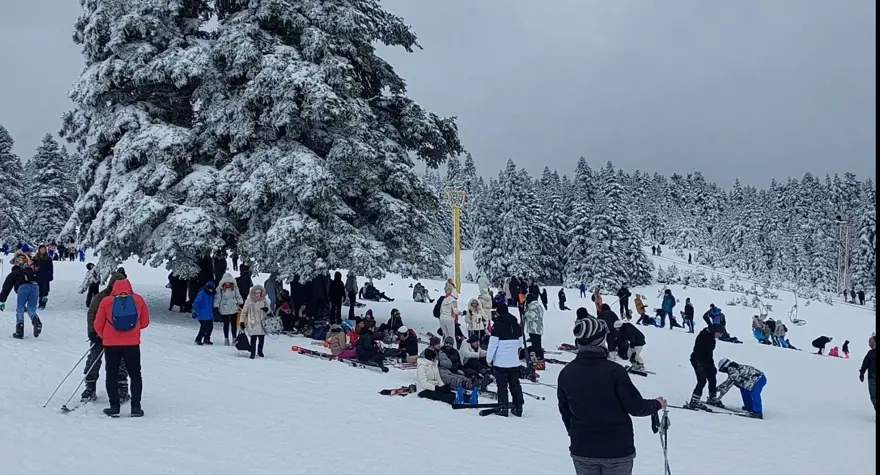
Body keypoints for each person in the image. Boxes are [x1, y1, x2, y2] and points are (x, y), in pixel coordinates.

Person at [558, 316, 665, 475]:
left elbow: (565, 412)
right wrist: (657, 404)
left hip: (583, 449)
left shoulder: (566, 373)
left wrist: (576, 435)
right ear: (601, 340)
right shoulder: (615, 372)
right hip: (616, 450)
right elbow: (636, 407)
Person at [93, 276, 150, 417]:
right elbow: (144, 323)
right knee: (135, 374)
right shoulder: (138, 300)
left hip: (111, 344)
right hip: (132, 344)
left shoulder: (106, 301)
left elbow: (97, 324)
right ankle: (136, 408)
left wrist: (105, 336)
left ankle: (114, 407)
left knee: (111, 375)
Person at [82, 271, 130, 403]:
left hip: (120, 337)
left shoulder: (128, 297)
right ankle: (90, 386)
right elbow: (92, 314)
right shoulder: (101, 297)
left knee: (121, 361)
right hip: (100, 334)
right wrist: (92, 332)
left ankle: (122, 387)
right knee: (94, 358)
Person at [486, 303, 524, 417]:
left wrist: (489, 359)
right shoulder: (516, 325)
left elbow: (493, 345)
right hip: (514, 361)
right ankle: (519, 407)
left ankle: (503, 407)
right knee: (515, 384)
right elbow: (520, 343)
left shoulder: (497, 325)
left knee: (502, 385)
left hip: (501, 362)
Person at [0, 252, 42, 339]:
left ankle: (19, 330)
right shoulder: (32, 270)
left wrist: (2, 300)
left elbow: (7, 287)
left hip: (22, 288)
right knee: (31, 309)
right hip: (35, 287)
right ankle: (36, 321)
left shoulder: (15, 273)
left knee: (20, 308)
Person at [686, 324, 726, 410]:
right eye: (720, 333)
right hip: (697, 360)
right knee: (702, 379)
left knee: (712, 376)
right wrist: (700, 365)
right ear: (714, 331)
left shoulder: (711, 338)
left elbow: (709, 354)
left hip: (706, 360)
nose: (720, 336)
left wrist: (712, 366)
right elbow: (698, 352)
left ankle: (712, 398)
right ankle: (694, 401)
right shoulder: (703, 337)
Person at [240, 285, 270, 359]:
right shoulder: (249, 301)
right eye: (256, 293)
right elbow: (244, 312)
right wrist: (242, 321)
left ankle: (260, 351)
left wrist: (267, 310)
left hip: (262, 322)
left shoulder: (264, 301)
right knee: (253, 339)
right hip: (252, 322)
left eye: (259, 293)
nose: (257, 294)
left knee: (261, 338)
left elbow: (269, 310)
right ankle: (252, 352)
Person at [214, 273, 243, 345]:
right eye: (226, 282)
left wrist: (241, 303)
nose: (228, 283)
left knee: (234, 324)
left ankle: (234, 338)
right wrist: (216, 306)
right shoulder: (220, 289)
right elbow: (217, 298)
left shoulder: (235, 287)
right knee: (226, 324)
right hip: (224, 308)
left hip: (233, 307)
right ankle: (226, 339)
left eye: (229, 282)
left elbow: (238, 295)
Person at [523, 293, 545, 361]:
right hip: (538, 328)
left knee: (536, 343)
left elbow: (532, 316)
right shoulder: (537, 305)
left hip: (534, 328)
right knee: (537, 342)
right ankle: (538, 355)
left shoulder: (532, 306)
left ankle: (539, 356)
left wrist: (525, 313)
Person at [32, 245, 54, 310]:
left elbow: (51, 268)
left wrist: (50, 276)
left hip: (45, 277)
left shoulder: (48, 258)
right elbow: (32, 267)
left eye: (43, 249)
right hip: (37, 276)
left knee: (45, 291)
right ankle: (39, 302)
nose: (42, 250)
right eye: (41, 249)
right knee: (38, 291)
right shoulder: (35, 258)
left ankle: (42, 304)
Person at [859, 334, 875, 410]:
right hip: (872, 377)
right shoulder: (871, 353)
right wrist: (862, 373)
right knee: (873, 396)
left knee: (874, 396)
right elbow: (865, 363)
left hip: (872, 377)